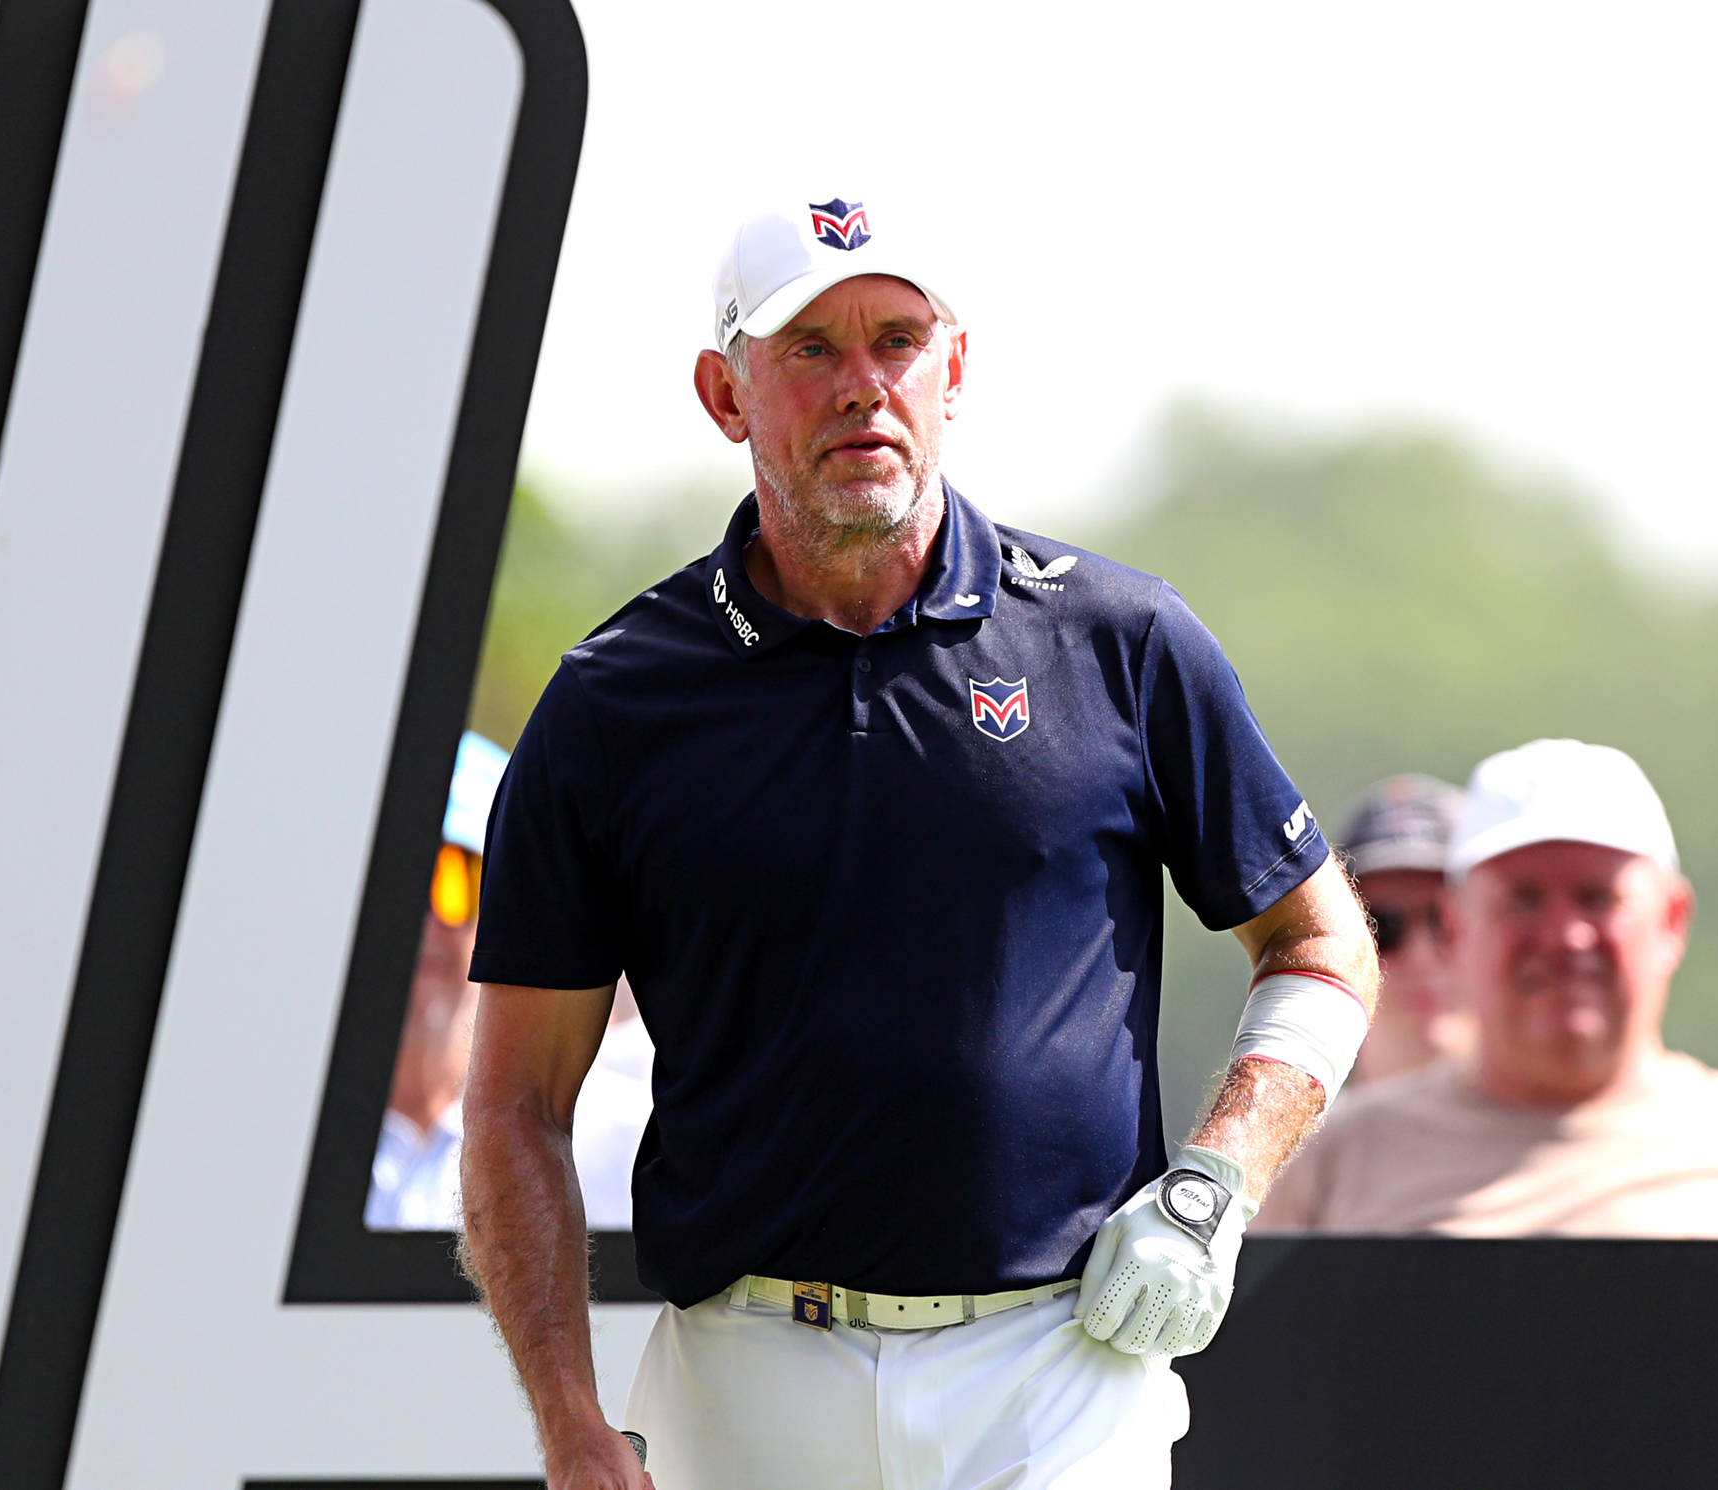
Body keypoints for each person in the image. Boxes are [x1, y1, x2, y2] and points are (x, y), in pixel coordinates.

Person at [458, 197, 1379, 1489]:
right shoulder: (615, 699)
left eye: (896, 341)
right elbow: (512, 1102)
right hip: (745, 1377)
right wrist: (565, 1419)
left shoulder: (1117, 641)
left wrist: (1214, 1184)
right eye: (811, 350)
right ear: (726, 393)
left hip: (1058, 1378)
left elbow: (1319, 936)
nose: (864, 388)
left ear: (954, 371)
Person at [1259, 738, 1718, 1238]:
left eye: (1597, 898)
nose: (1565, 937)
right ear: (1457, 925)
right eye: (1523, 900)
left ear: (1672, 921)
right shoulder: (1330, 1166)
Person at [368, 733, 647, 1229]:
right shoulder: (269, 1129)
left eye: (451, 874)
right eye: (392, 878)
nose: (421, 917)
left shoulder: (619, 1144)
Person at [1337, 774, 1471, 1085]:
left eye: (1449, 922)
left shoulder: (1586, 1128)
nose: (1420, 955)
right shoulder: (1284, 1133)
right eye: (1380, 926)